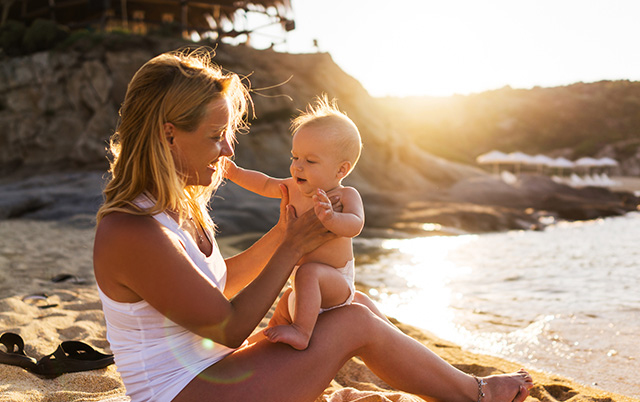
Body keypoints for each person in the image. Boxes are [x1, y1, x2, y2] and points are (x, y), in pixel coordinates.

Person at [92, 48, 533, 402]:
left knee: (353, 302)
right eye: (215, 135)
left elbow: (215, 289)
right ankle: (476, 395)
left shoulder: (172, 207)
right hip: (183, 391)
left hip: (214, 371)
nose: (228, 149)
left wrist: (286, 231)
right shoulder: (131, 230)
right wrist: (291, 249)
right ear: (169, 134)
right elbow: (225, 327)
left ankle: (452, 386)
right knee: (352, 324)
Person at [225, 96, 364, 350]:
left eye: (310, 161)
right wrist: (235, 173)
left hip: (334, 284)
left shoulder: (344, 196)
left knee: (308, 274)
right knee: (284, 305)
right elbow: (266, 183)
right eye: (295, 157)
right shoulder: (294, 188)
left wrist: (332, 218)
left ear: (341, 170)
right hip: (303, 288)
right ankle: (252, 344)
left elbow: (355, 224)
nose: (297, 167)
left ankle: (302, 331)